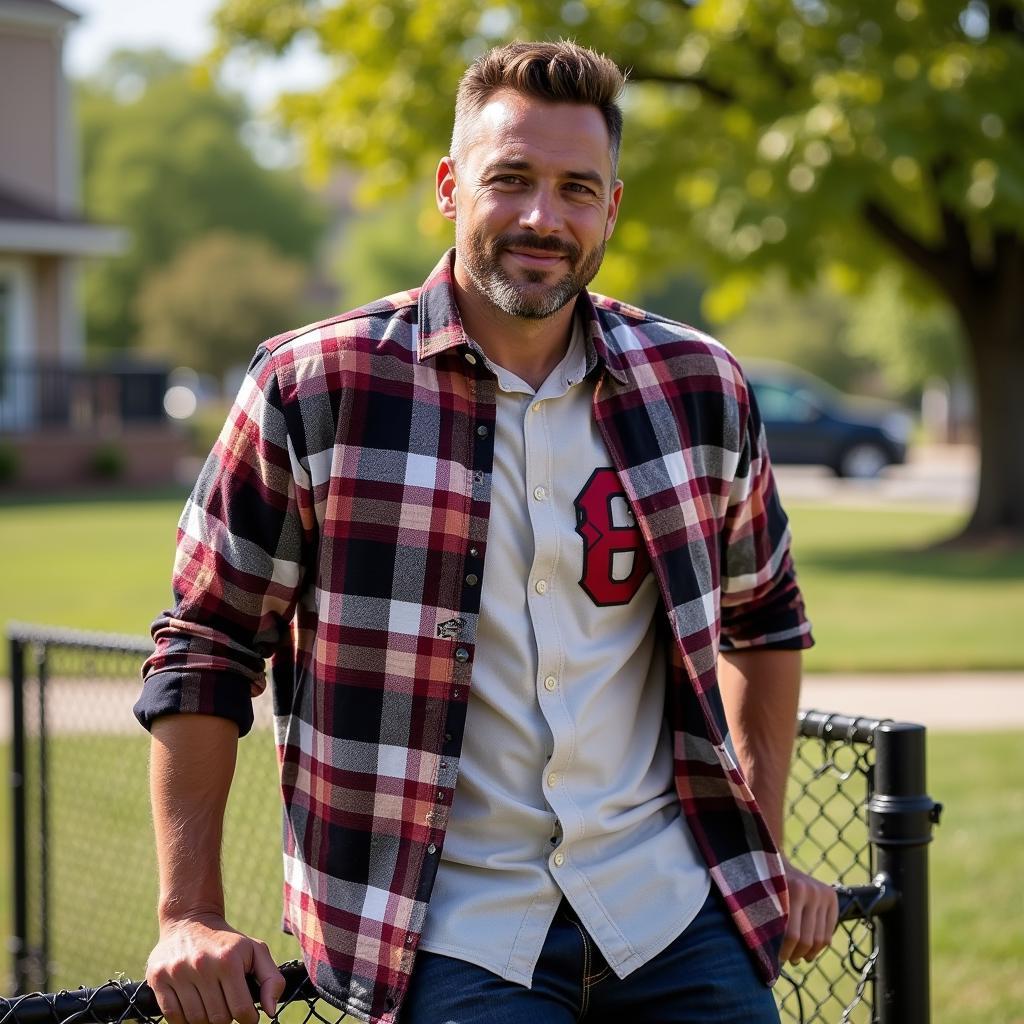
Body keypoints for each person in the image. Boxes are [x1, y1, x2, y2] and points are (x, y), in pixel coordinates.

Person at [135, 40, 838, 1024]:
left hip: (672, 914)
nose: (543, 218)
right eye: (510, 179)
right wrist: (188, 914)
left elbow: (761, 621)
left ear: (611, 207)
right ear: (448, 184)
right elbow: (206, 646)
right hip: (448, 934)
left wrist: (757, 852)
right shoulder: (311, 387)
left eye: (575, 188)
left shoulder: (700, 385)